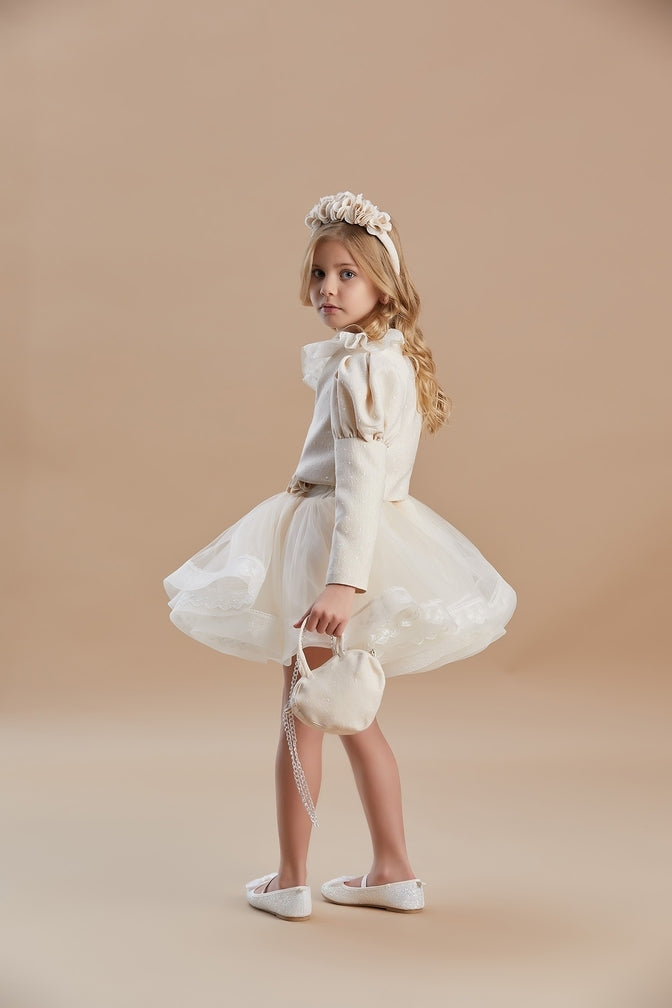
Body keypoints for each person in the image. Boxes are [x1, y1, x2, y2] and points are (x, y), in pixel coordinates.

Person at [164, 191, 516, 921]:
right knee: (348, 709)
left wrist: (343, 583)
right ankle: (393, 869)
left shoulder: (359, 369)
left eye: (347, 274)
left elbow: (357, 483)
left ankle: (292, 879)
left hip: (335, 545)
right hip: (363, 538)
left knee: (304, 710)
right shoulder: (388, 357)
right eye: (320, 274)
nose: (328, 288)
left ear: (383, 283)